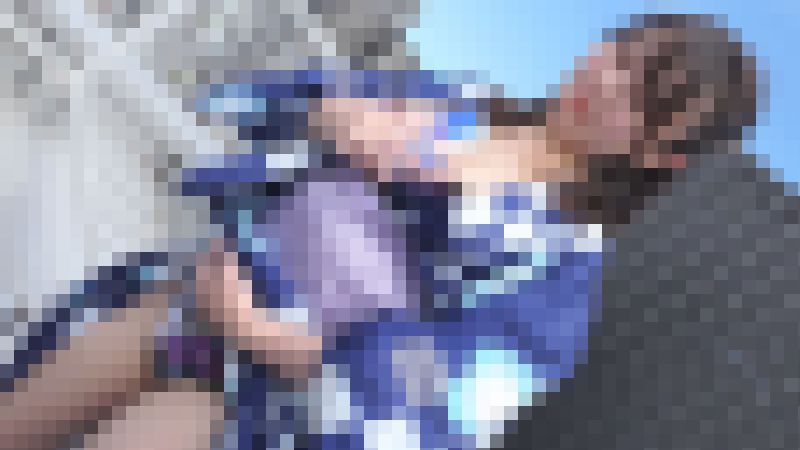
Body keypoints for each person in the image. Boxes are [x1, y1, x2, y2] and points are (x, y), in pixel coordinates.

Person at [0, 13, 763, 450]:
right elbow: (254, 101)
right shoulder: (461, 101)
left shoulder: (558, 276)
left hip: (249, 403)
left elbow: (441, 400)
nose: (606, 84)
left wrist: (273, 340)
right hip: (186, 303)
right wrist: (334, 114)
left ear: (660, 155)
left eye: (642, 100)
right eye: (622, 55)